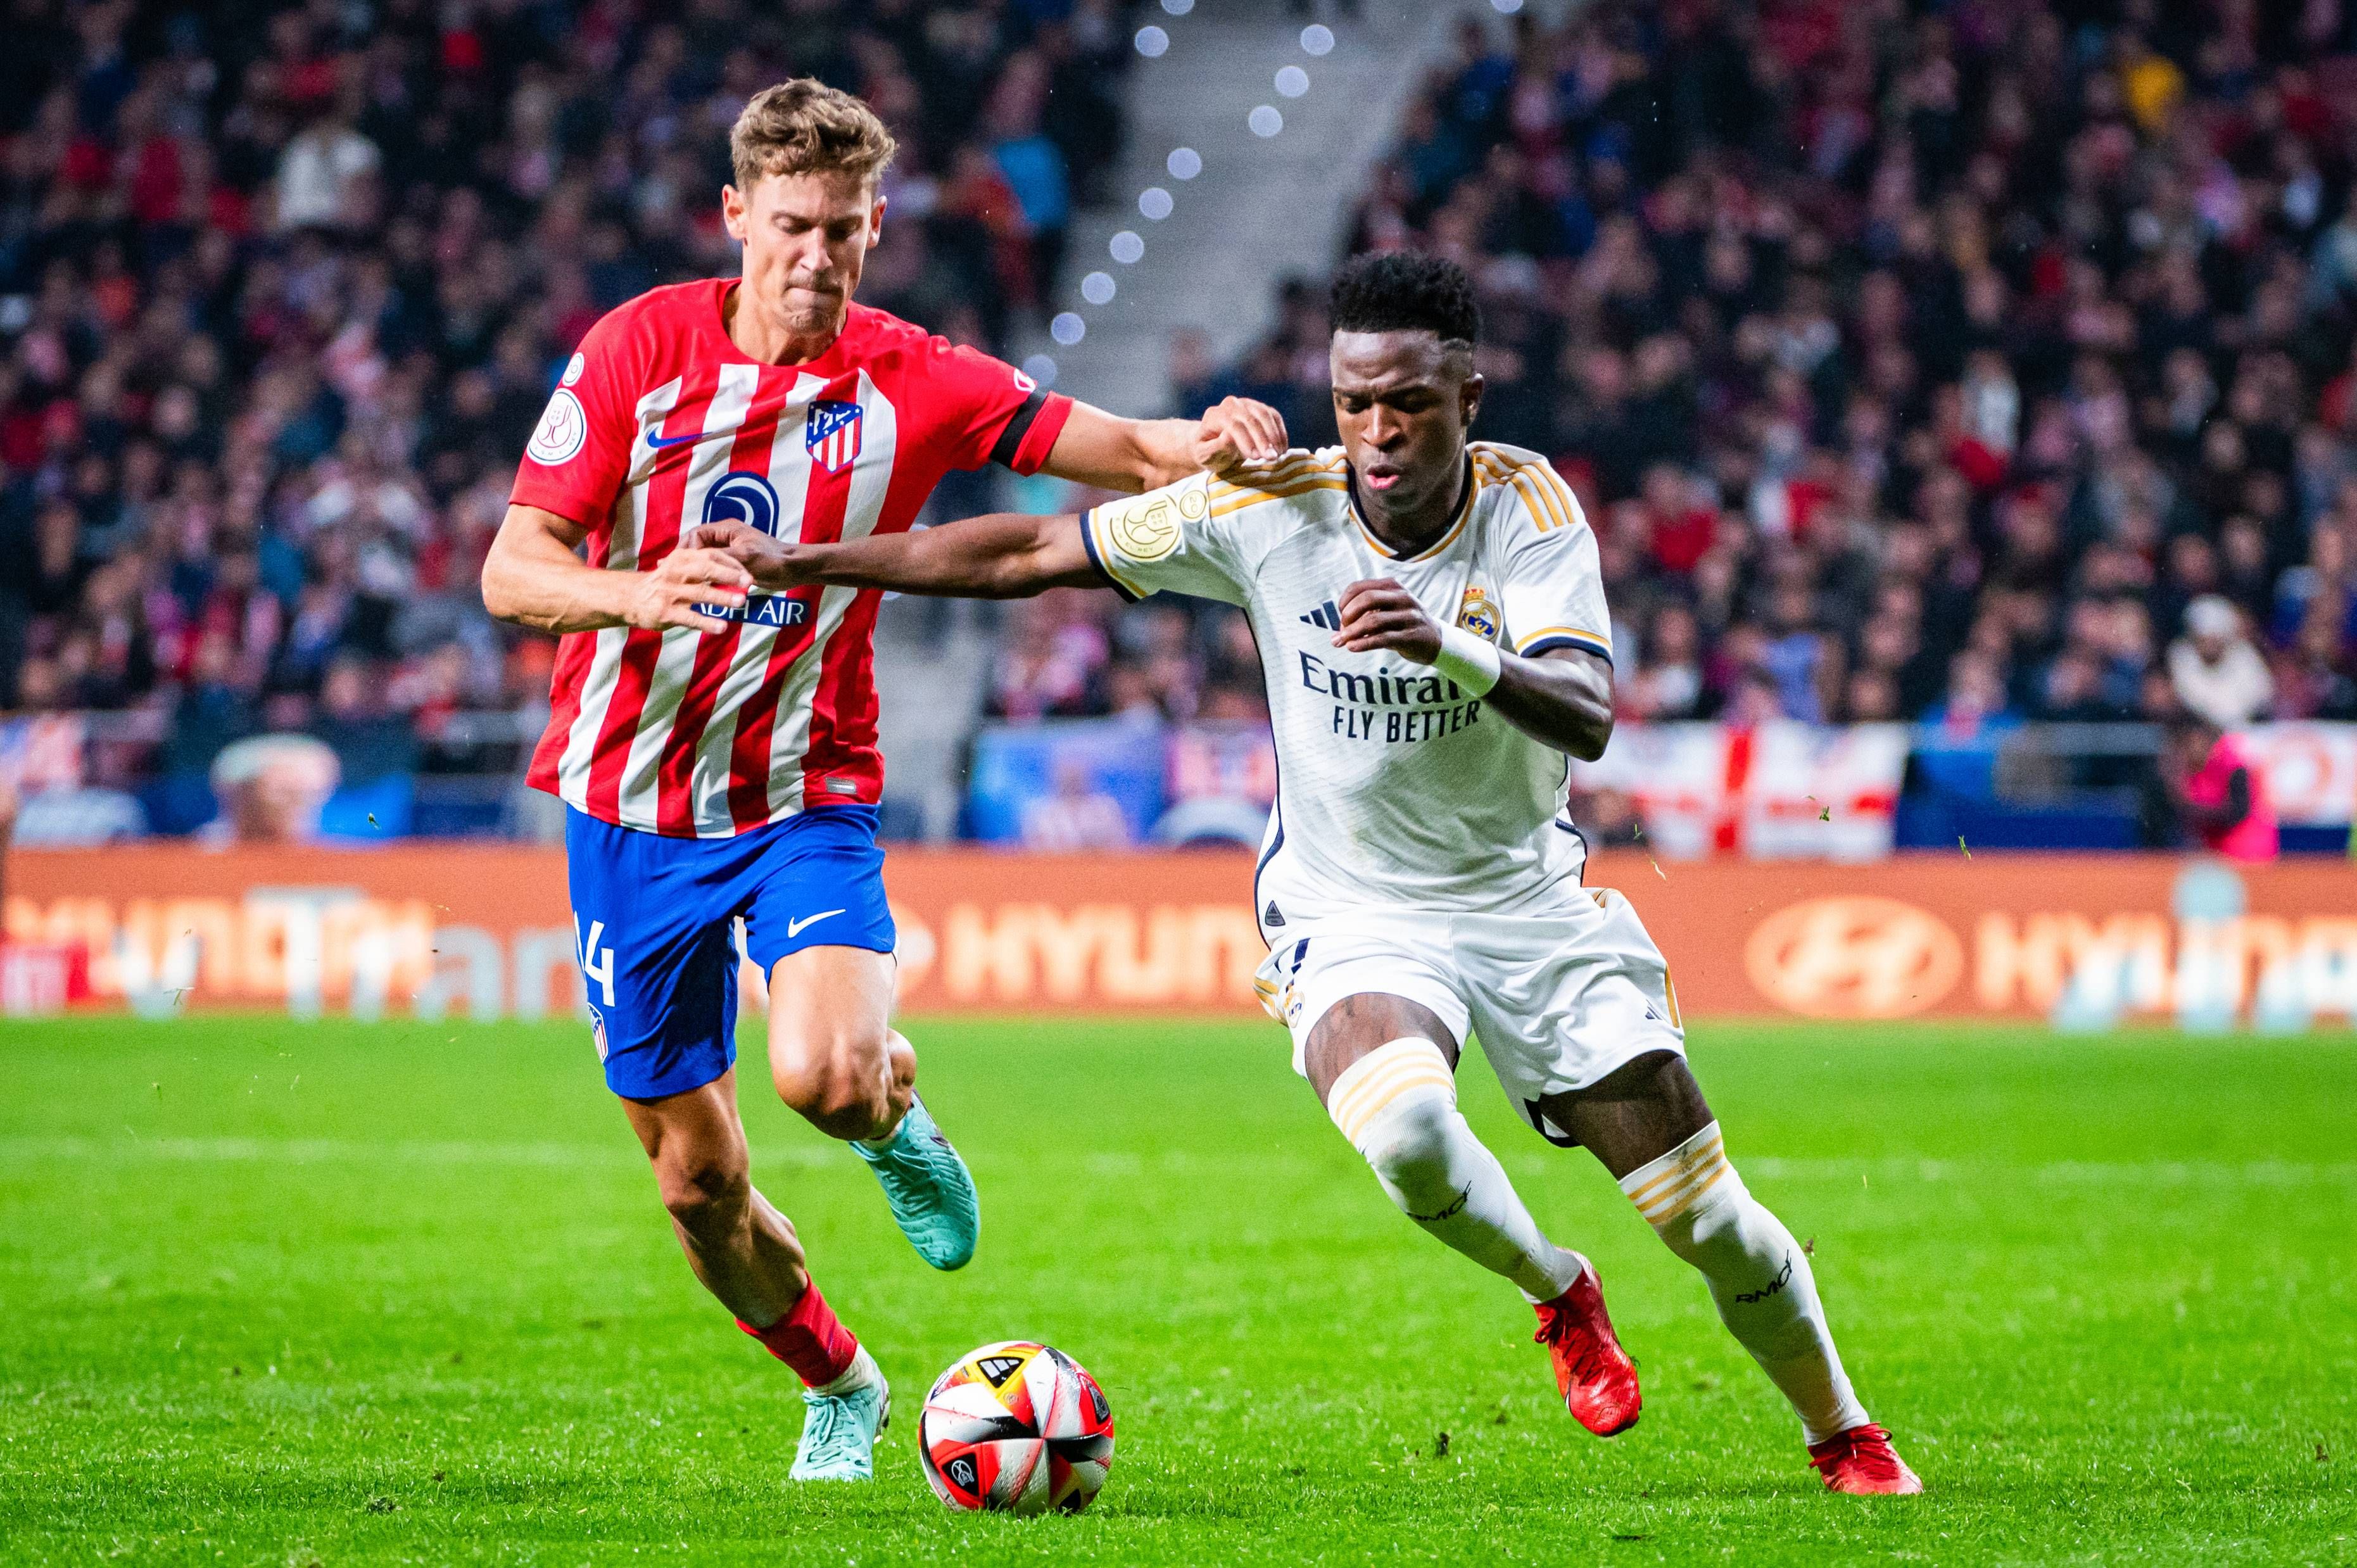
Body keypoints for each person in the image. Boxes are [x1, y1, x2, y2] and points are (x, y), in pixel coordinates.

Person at [695, 253, 1921, 1495]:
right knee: (1405, 1132)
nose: (1379, 431)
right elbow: (1024, 553)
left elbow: (1591, 711)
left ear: (1469, 397)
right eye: (1355, 401)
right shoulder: (1270, 503)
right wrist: (806, 563)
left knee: (1700, 1214)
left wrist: (1447, 644)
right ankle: (1559, 1288)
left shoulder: (1529, 512)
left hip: (1528, 907)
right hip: (1352, 908)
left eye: (1411, 403)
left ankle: (1841, 1426)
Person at [477, 79, 1287, 1482]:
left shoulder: (914, 372)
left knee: (827, 1078)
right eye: (790, 224)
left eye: (843, 229)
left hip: (805, 798)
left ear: (875, 225)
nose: (816, 256)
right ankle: (840, 1383)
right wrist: (626, 590)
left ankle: (893, 1112)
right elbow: (512, 568)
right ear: (736, 216)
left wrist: (1211, 433)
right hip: (626, 813)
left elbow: (1131, 447)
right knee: (698, 1186)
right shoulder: (633, 354)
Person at [2156, 711, 2279, 862]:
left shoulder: (2232, 763)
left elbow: (2238, 813)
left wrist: (2193, 809)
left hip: (2247, 850)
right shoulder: (2188, 770)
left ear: (2201, 739)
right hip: (2213, 853)